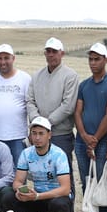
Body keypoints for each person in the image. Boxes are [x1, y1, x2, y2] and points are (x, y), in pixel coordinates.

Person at [74, 43, 107, 212]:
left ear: (106, 60)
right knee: (87, 180)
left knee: (102, 181)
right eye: (90, 59)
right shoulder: (84, 85)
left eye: (97, 59)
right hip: (82, 141)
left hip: (102, 142)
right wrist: (84, 136)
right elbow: (77, 112)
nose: (93, 63)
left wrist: (94, 139)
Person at [8, 116, 74, 212]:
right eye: (34, 133)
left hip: (55, 196)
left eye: (41, 133)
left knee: (60, 204)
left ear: (49, 135)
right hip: (36, 196)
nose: (37, 138)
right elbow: (17, 181)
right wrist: (21, 190)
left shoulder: (59, 154)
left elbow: (65, 189)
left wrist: (37, 196)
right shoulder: (26, 154)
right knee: (9, 197)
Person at [26, 37, 78, 179]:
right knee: (43, 174)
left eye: (54, 51)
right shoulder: (36, 76)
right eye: (48, 51)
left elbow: (68, 106)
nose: (51, 54)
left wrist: (45, 124)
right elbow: (30, 101)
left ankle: (67, 201)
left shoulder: (70, 76)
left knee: (63, 174)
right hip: (39, 135)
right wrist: (37, 122)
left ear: (62, 53)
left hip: (60, 135)